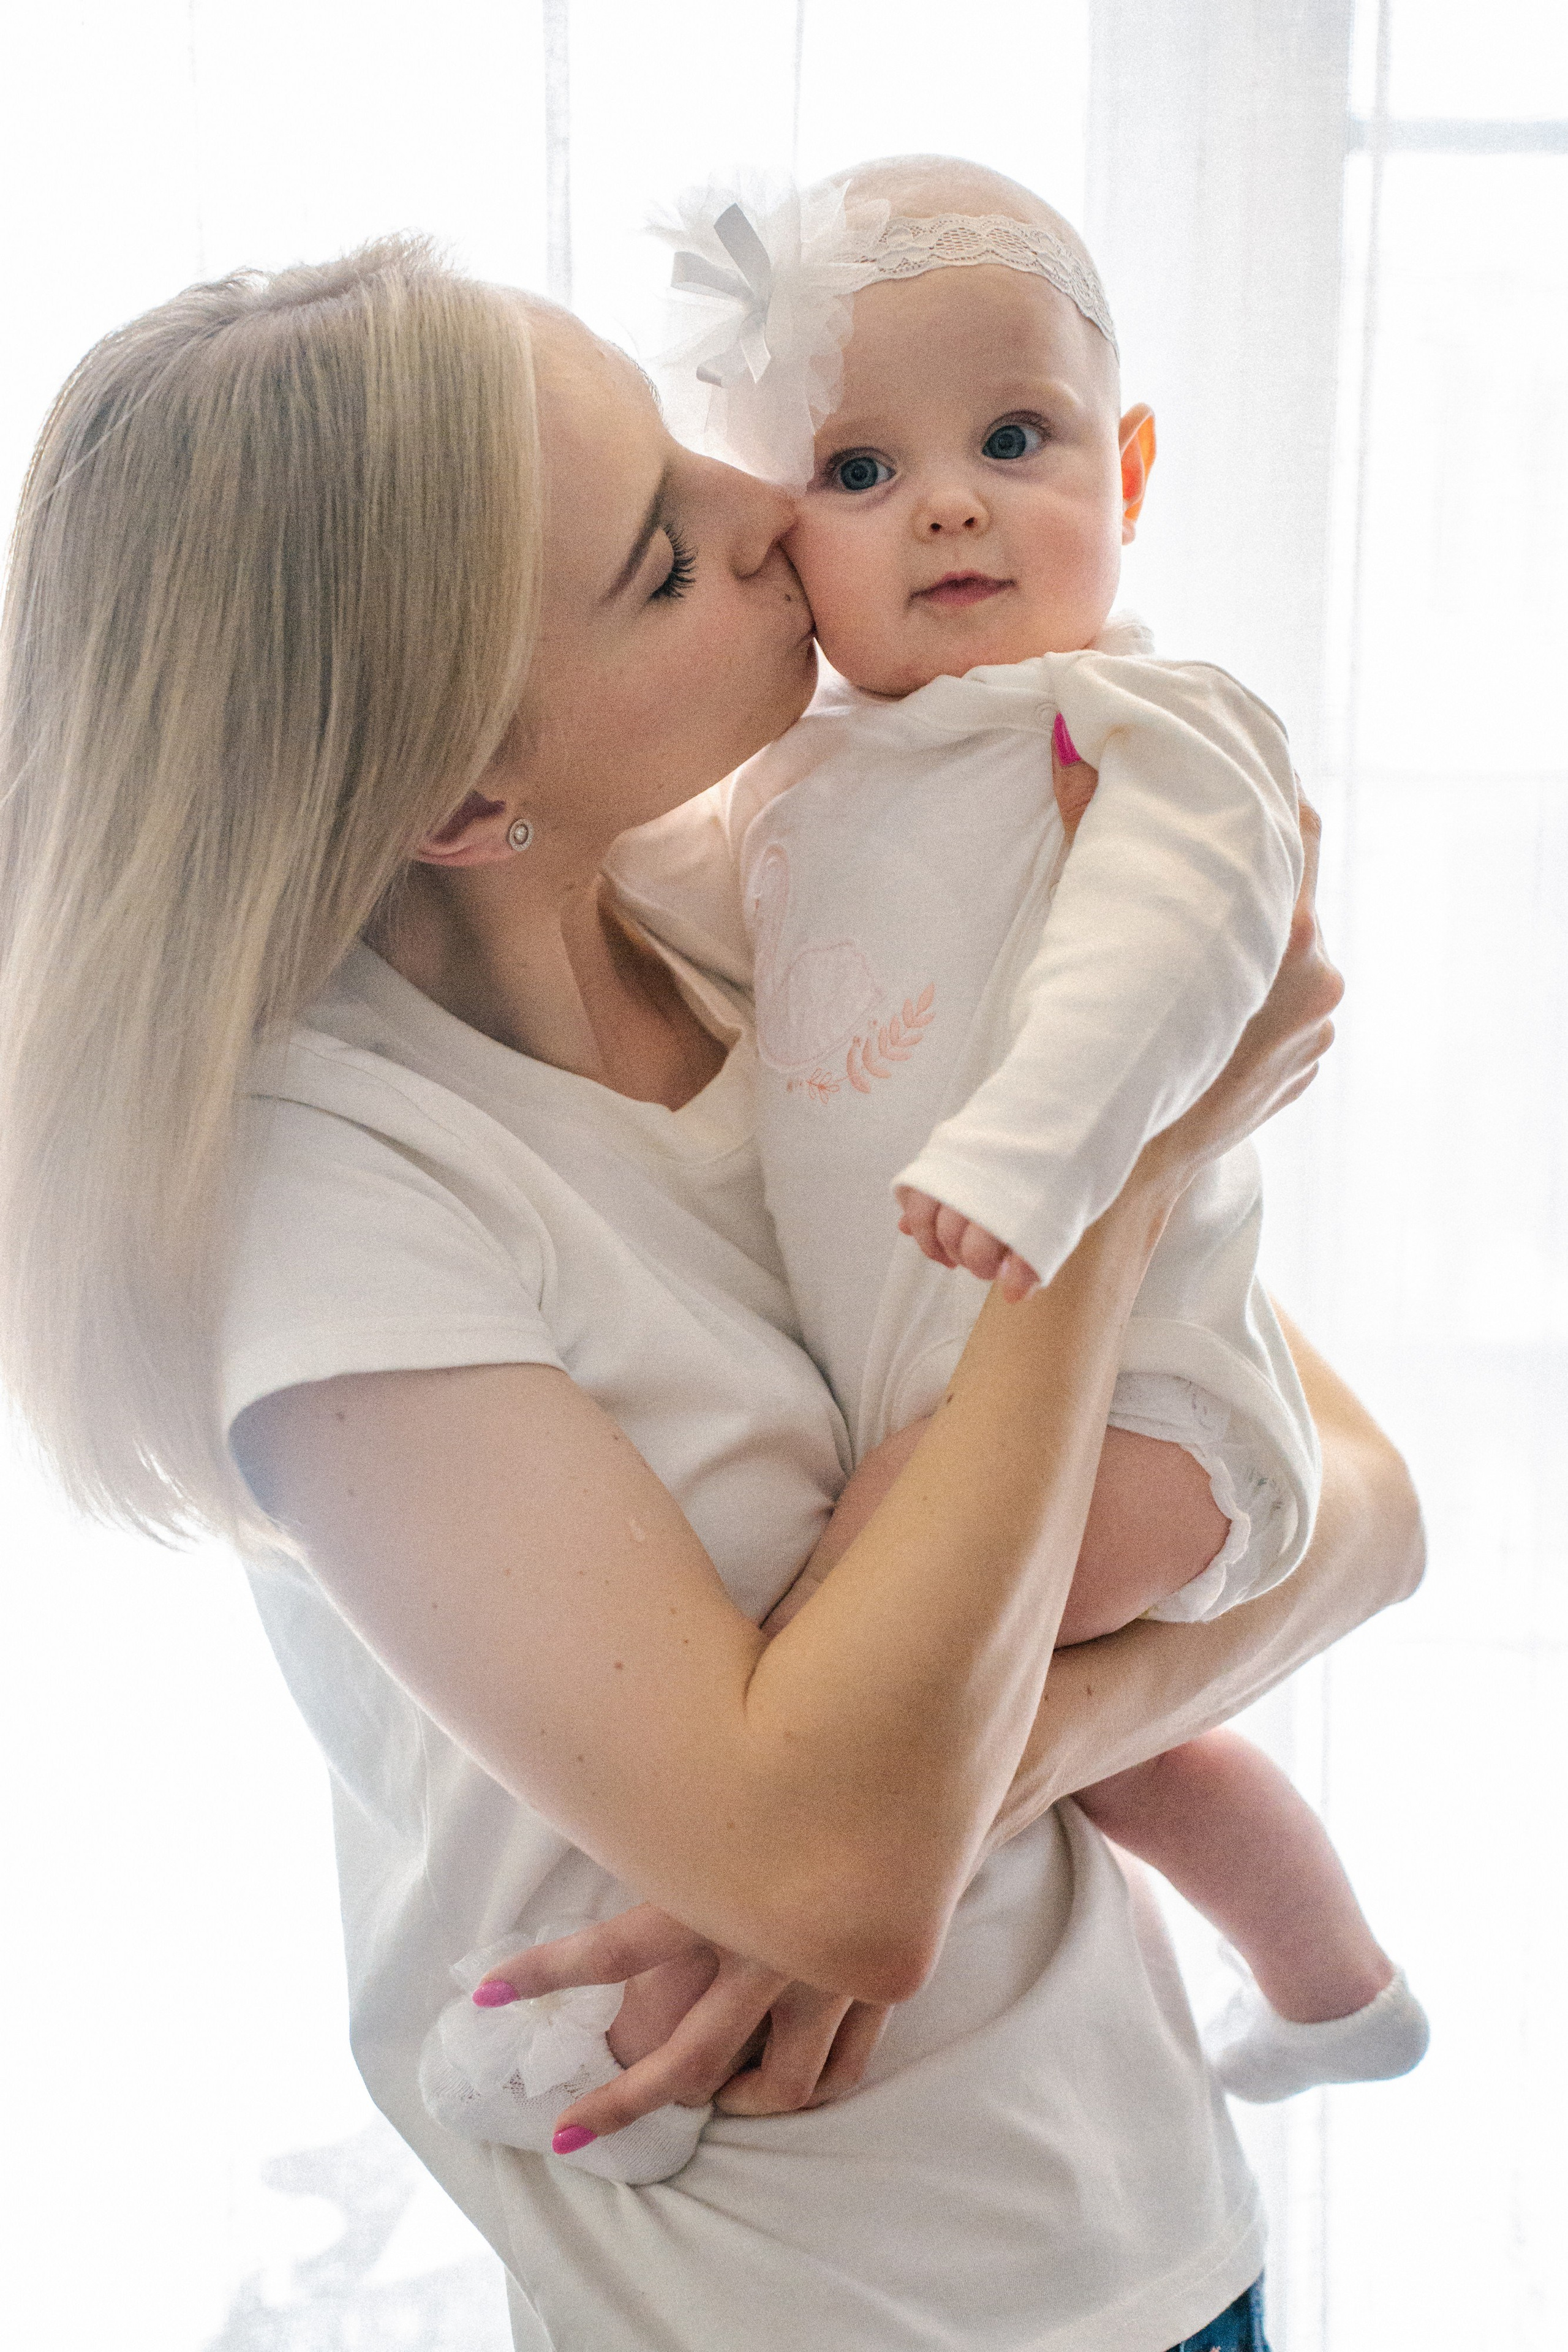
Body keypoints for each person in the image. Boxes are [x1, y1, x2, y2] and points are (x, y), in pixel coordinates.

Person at [0, 237, 1420, 2352]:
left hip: (1148, 2230)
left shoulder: (764, 918)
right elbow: (847, 1873)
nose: (777, 511)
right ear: (463, 797)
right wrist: (1120, 1162)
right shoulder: (326, 1203)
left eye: (687, 450)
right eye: (666, 558)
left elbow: (1355, 1508)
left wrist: (980, 1778)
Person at [516, 154, 1427, 2128]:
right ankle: (1333, 1988)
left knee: (841, 1664)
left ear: (1134, 465)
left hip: (1144, 1401)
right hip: (968, 1381)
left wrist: (1036, 1155)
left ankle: (643, 1979)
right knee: (1108, 1760)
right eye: (855, 472)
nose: (944, 502)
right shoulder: (806, 783)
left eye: (1014, 439)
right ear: (782, 542)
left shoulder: (1134, 726)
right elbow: (680, 907)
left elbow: (1174, 948)